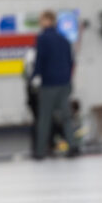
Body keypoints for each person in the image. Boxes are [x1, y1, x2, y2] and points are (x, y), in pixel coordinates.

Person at [31, 10, 80, 159]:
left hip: (49, 84)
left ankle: (40, 151)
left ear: (47, 20)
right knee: (66, 117)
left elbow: (40, 59)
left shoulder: (42, 38)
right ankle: (72, 145)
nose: (40, 23)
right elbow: (71, 61)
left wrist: (35, 77)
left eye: (41, 20)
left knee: (44, 118)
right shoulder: (64, 39)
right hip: (65, 83)